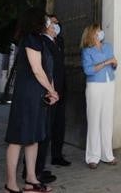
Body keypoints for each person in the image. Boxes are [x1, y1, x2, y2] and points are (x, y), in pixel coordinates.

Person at [4, 8, 58, 193]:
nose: (48, 22)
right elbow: (37, 69)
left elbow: (46, 69)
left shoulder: (39, 40)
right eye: (44, 19)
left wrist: (49, 90)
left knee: (33, 138)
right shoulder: (30, 39)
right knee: (17, 138)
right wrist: (52, 90)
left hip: (37, 94)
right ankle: (10, 184)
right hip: (27, 95)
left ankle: (31, 180)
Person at [22, 16, 59, 184]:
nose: (54, 26)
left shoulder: (48, 41)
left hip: (47, 90)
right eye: (52, 23)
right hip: (40, 92)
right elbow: (41, 69)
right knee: (37, 134)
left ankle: (36, 170)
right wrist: (51, 90)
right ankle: (33, 172)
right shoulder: (38, 40)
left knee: (43, 133)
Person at [81, 24, 118, 169]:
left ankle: (107, 155)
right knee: (94, 119)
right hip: (95, 86)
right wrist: (107, 62)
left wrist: (114, 63)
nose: (101, 32)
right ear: (92, 33)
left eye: (100, 30)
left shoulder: (108, 46)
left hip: (110, 83)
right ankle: (92, 157)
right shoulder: (87, 51)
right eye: (98, 30)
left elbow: (114, 63)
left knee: (107, 119)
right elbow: (88, 70)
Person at [48, 15, 70, 167]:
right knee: (44, 125)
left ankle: (57, 155)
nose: (56, 25)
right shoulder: (42, 41)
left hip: (61, 88)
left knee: (59, 124)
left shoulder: (60, 41)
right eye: (53, 22)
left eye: (58, 22)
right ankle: (35, 164)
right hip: (48, 89)